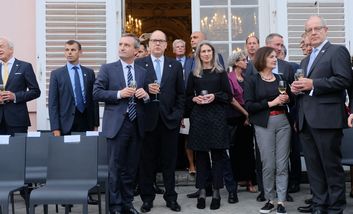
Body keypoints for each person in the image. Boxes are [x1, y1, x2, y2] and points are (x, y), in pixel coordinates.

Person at [291, 15, 352, 214]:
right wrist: (298, 88)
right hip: (306, 120)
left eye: (317, 28)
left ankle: (335, 208)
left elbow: (344, 80)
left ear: (326, 30)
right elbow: (307, 88)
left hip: (327, 119)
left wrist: (313, 83)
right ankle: (319, 205)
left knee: (331, 167)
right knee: (314, 168)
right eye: (310, 30)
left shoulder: (337, 51)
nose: (314, 32)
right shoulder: (306, 59)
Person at [93, 33, 149, 214]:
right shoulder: (108, 69)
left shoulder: (142, 72)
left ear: (136, 50)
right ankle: (115, 207)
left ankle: (127, 203)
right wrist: (119, 94)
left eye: (126, 45)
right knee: (114, 169)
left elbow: (148, 97)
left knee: (131, 169)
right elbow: (97, 93)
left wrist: (146, 96)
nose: (122, 47)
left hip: (136, 124)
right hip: (117, 125)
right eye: (120, 44)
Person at [185, 32, 238, 204]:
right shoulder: (194, 73)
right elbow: (186, 97)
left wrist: (214, 97)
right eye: (203, 51)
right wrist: (194, 99)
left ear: (213, 54)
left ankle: (215, 193)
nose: (206, 54)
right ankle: (201, 192)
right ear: (198, 55)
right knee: (200, 157)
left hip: (217, 117)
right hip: (199, 117)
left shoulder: (221, 72)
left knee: (217, 157)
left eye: (209, 51)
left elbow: (228, 96)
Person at [136, 30, 185, 213]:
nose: (157, 44)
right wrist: (145, 89)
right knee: (146, 162)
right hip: (147, 120)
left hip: (169, 121)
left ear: (166, 45)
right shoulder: (139, 63)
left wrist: (177, 114)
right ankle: (147, 199)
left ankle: (171, 198)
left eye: (161, 41)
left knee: (169, 163)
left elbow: (181, 93)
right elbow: (133, 89)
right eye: (154, 41)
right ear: (148, 45)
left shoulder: (175, 65)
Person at [244, 47, 292, 214]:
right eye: (271, 56)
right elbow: (249, 105)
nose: (275, 58)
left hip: (283, 122)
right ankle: (270, 200)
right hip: (263, 124)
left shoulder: (281, 78)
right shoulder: (252, 80)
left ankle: (281, 202)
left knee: (282, 164)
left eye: (275, 56)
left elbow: (290, 101)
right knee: (268, 164)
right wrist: (272, 102)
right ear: (262, 59)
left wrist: (287, 98)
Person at [49, 40, 99, 136]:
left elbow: (94, 101)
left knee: (87, 150)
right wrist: (55, 128)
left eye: (73, 50)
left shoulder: (89, 73)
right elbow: (53, 103)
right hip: (65, 123)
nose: (69, 52)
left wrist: (95, 124)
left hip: (87, 121)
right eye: (67, 50)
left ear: (80, 52)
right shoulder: (57, 74)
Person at [227, 51, 257, 194]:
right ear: (236, 63)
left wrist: (248, 115)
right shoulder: (228, 78)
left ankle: (250, 180)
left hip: (248, 117)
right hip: (234, 117)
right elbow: (231, 99)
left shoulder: (246, 78)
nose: (246, 62)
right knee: (235, 150)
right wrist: (246, 114)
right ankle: (238, 179)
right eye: (243, 60)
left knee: (248, 150)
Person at [0, 37, 41, 135]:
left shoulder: (25, 66)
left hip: (17, 120)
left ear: (11, 49)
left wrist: (15, 96)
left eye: (1, 46)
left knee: (17, 150)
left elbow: (35, 91)